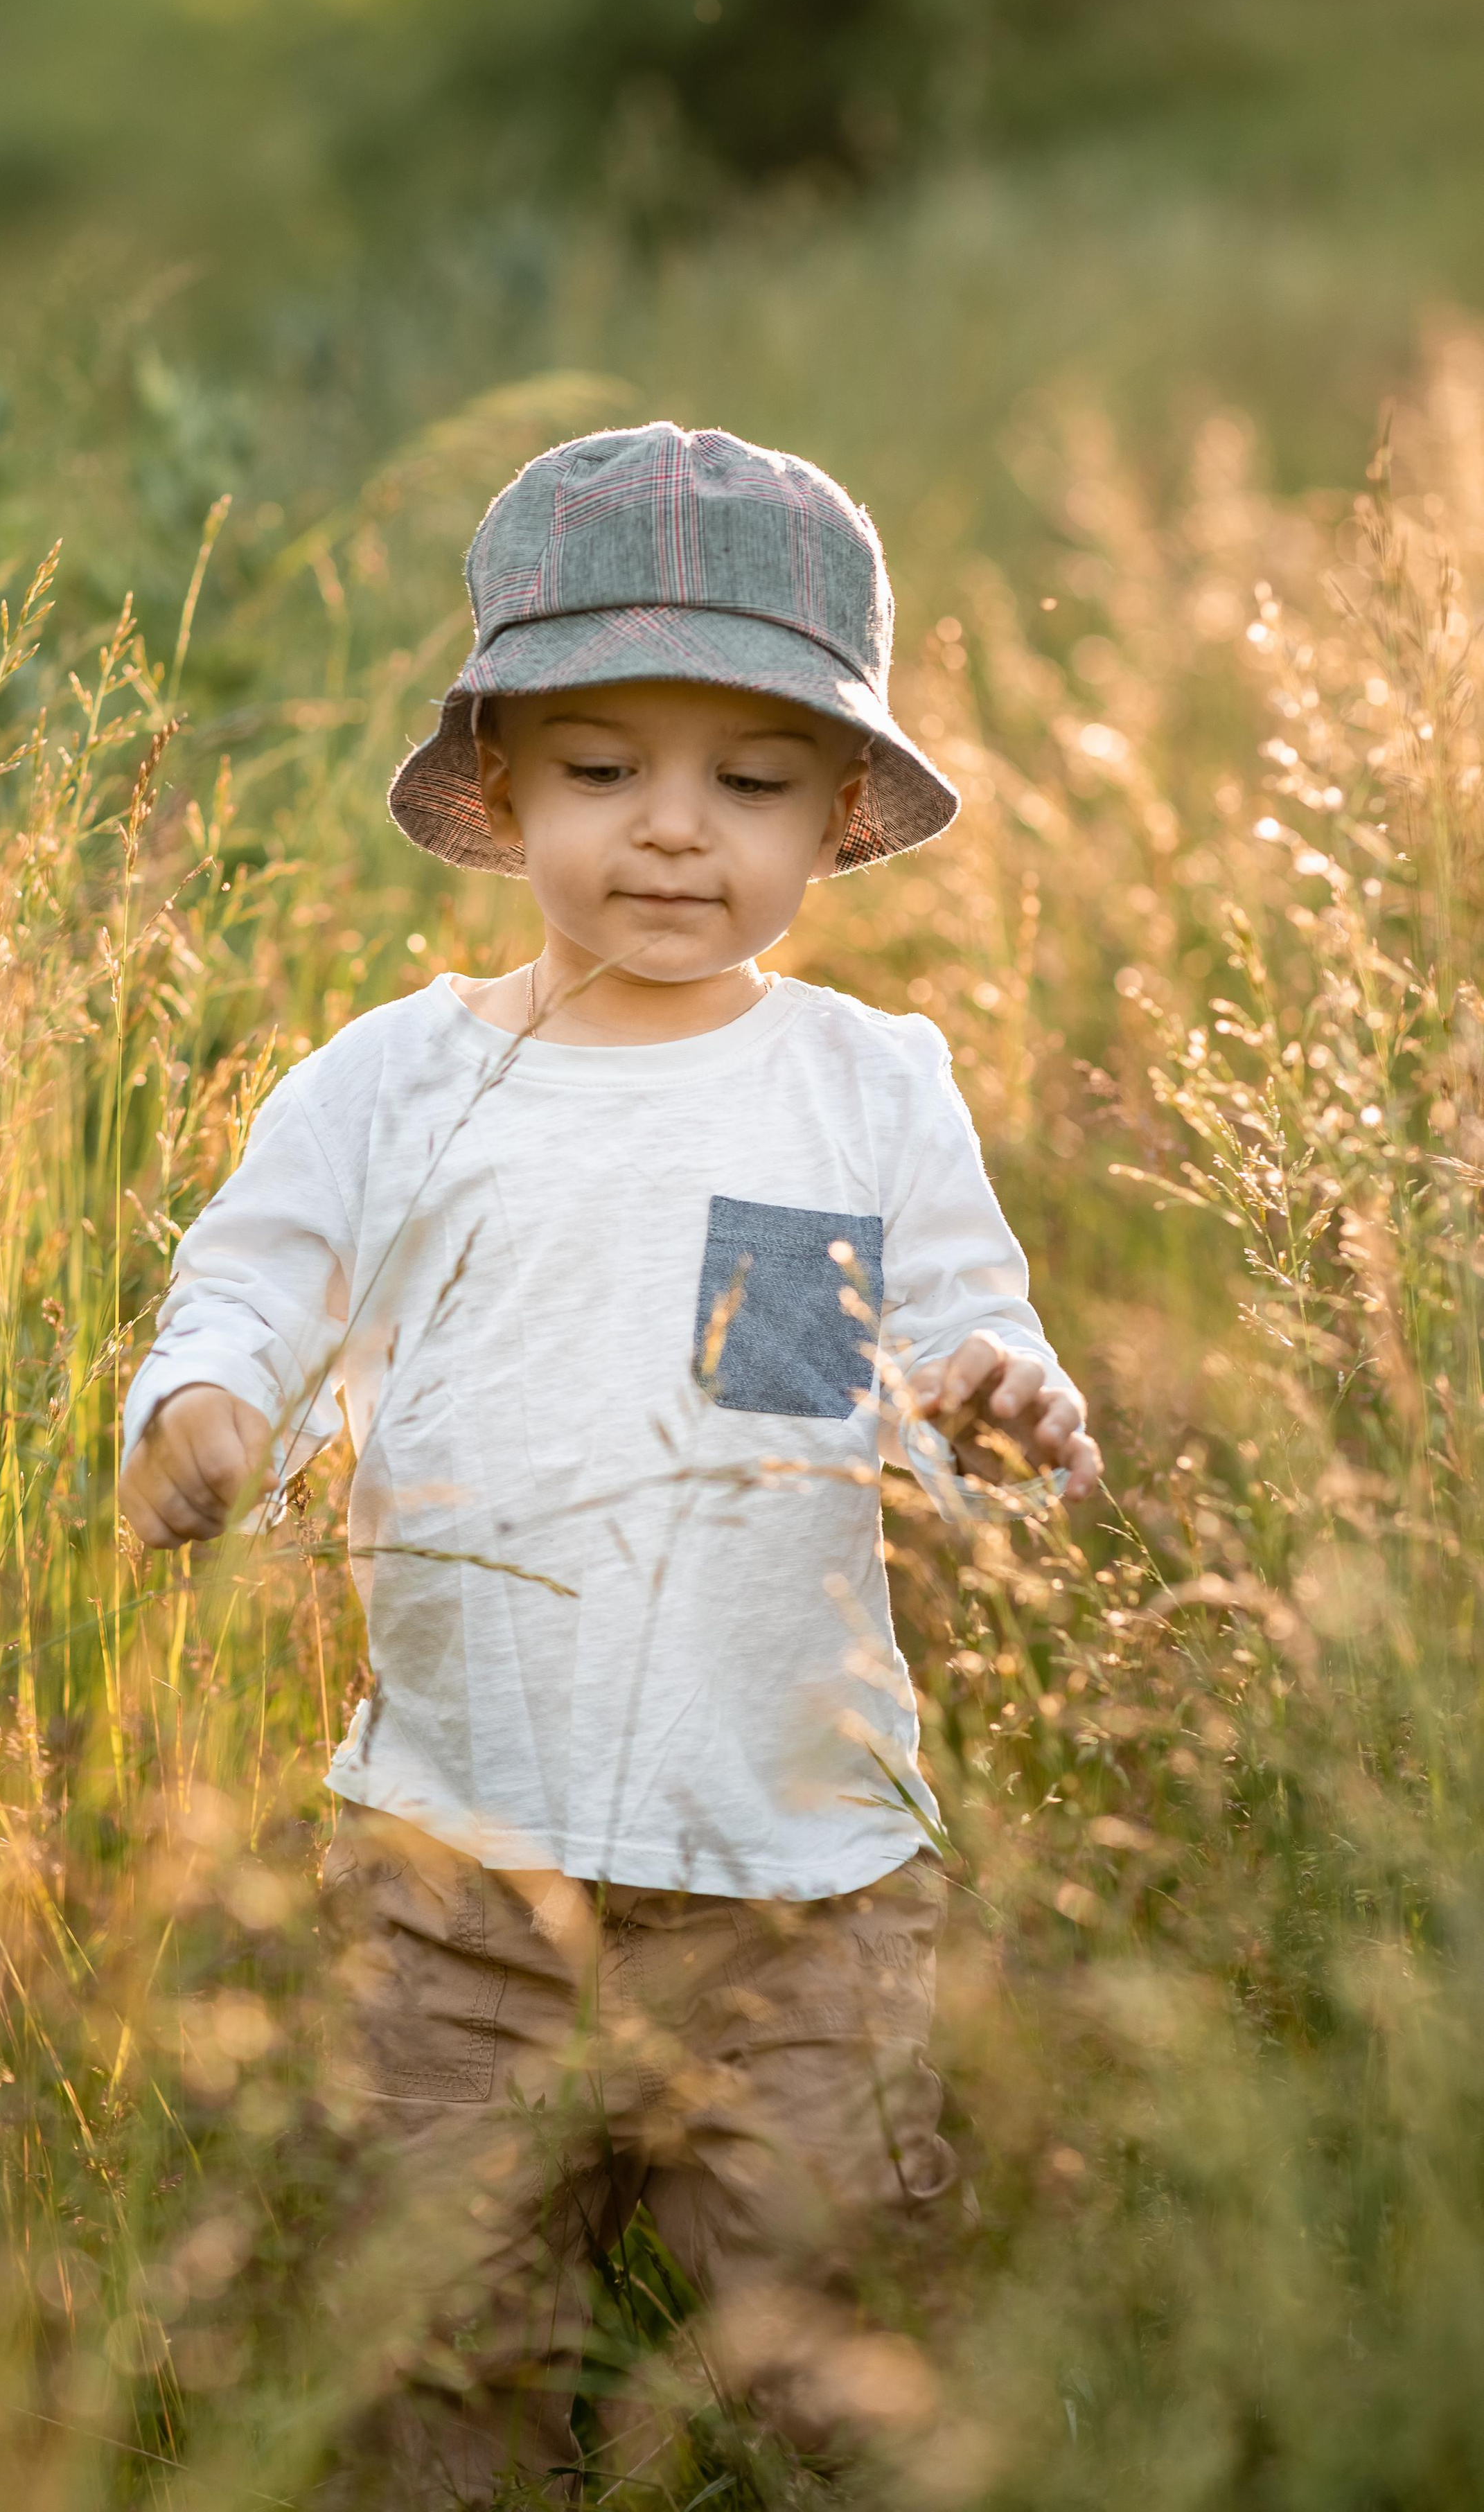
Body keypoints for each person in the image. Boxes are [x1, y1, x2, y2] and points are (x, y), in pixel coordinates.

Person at [119, 423, 1101, 2502]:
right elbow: (256, 1288)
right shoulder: (399, 1083)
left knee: (825, 2335)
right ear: (496, 791)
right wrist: (205, 1414)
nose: (673, 834)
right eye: (601, 771)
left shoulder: (861, 1089)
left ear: (840, 812)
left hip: (801, 1873)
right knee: (442, 2342)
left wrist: (996, 1406)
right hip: (459, 1874)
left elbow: (949, 1350)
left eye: (747, 780)